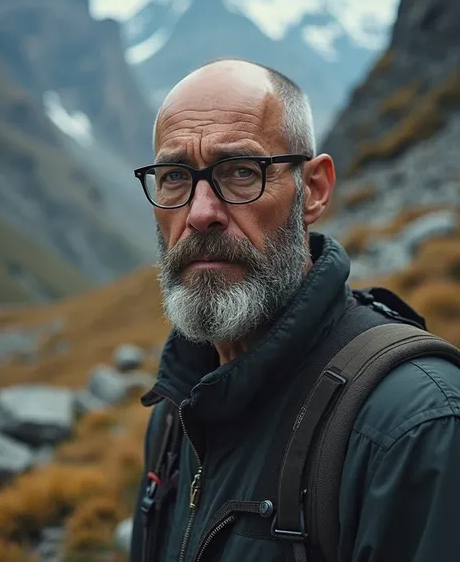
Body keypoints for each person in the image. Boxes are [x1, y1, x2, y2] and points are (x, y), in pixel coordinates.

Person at [130, 58, 460, 562]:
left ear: (315, 190)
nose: (200, 213)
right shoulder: (176, 412)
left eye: (241, 172)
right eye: (174, 176)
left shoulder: (416, 427)